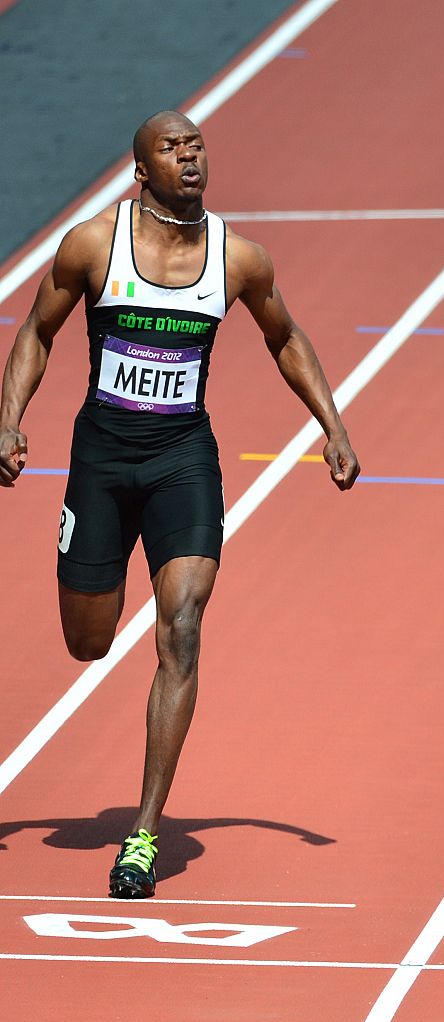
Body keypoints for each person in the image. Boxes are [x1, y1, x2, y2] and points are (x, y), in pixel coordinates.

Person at [0, 110, 359, 897]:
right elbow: (35, 332)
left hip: (181, 460)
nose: (189, 156)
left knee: (184, 625)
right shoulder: (95, 245)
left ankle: (142, 834)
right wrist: (9, 418)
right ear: (142, 168)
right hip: (101, 459)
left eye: (196, 144)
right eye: (171, 148)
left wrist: (331, 425)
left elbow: (285, 337)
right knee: (87, 644)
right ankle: (95, 581)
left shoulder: (239, 259)